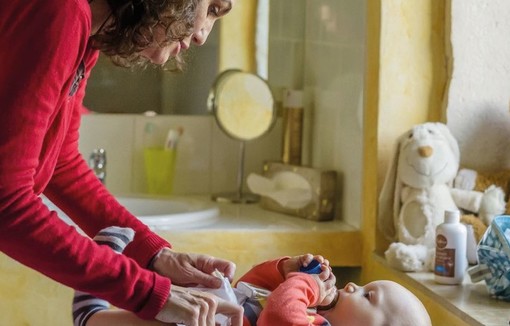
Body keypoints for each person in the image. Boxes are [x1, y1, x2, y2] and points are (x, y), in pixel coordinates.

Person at [0, 0, 242, 325]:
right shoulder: (60, 12)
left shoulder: (85, 33)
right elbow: (6, 203)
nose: (201, 35)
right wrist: (144, 291)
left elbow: (60, 164)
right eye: (212, 8)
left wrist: (154, 255)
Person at [78, 227, 432, 326]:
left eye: (368, 296)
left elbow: (278, 315)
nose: (354, 285)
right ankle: (96, 308)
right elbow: (253, 292)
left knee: (182, 315)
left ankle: (92, 315)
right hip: (223, 316)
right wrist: (284, 271)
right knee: (197, 296)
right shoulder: (312, 316)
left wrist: (305, 285)